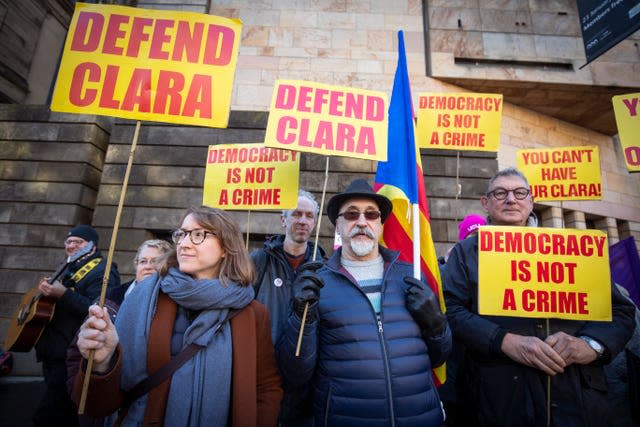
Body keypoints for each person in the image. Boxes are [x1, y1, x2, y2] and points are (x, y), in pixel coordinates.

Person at [444, 167, 636, 427]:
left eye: (519, 192)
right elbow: (452, 310)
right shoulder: (466, 252)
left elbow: (622, 313)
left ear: (531, 201)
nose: (511, 199)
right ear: (485, 203)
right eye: (500, 193)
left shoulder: (572, 248)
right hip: (498, 400)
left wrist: (591, 346)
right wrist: (504, 341)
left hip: (578, 400)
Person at [74, 206, 282, 427]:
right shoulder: (145, 297)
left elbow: (266, 387)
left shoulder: (253, 313)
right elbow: (99, 405)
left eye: (199, 234)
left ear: (226, 247)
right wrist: (102, 364)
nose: (184, 243)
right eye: (181, 234)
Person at [276, 178, 452, 427]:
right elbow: (295, 372)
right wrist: (300, 315)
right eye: (351, 215)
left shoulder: (411, 276)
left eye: (371, 214)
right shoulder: (317, 283)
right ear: (338, 225)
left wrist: (436, 325)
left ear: (380, 225)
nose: (361, 222)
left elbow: (440, 356)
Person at [250, 189, 326, 426]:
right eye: (296, 214)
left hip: (307, 385)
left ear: (315, 222)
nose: (303, 221)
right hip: (262, 378)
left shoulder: (324, 268)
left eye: (309, 216)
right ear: (283, 220)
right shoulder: (257, 261)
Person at [34, 224, 120, 427]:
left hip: (70, 353)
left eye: (77, 242)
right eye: (68, 241)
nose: (71, 245)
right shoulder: (70, 266)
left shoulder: (103, 270)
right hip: (53, 351)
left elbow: (99, 310)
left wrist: (62, 294)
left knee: (52, 415)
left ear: (92, 245)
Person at [108, 239, 173, 304]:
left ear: (168, 266)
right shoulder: (112, 295)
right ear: (136, 265)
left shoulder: (173, 296)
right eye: (143, 261)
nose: (147, 267)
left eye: (155, 262)